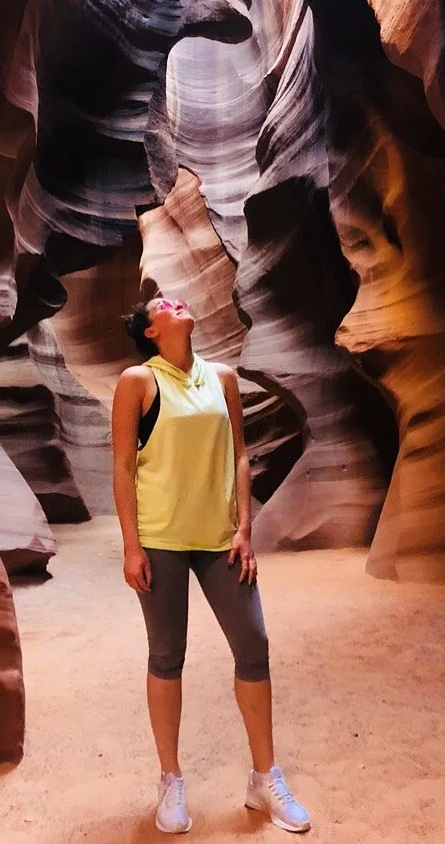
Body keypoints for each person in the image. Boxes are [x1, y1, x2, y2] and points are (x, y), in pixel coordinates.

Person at [112, 295, 311, 835]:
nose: (174, 302)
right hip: (160, 538)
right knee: (166, 655)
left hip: (221, 538)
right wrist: (132, 546)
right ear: (151, 332)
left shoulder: (221, 377)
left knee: (254, 645)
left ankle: (264, 778)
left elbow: (241, 454)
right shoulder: (138, 381)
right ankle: (170, 779)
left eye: (176, 299)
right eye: (162, 305)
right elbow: (124, 467)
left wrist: (246, 527)